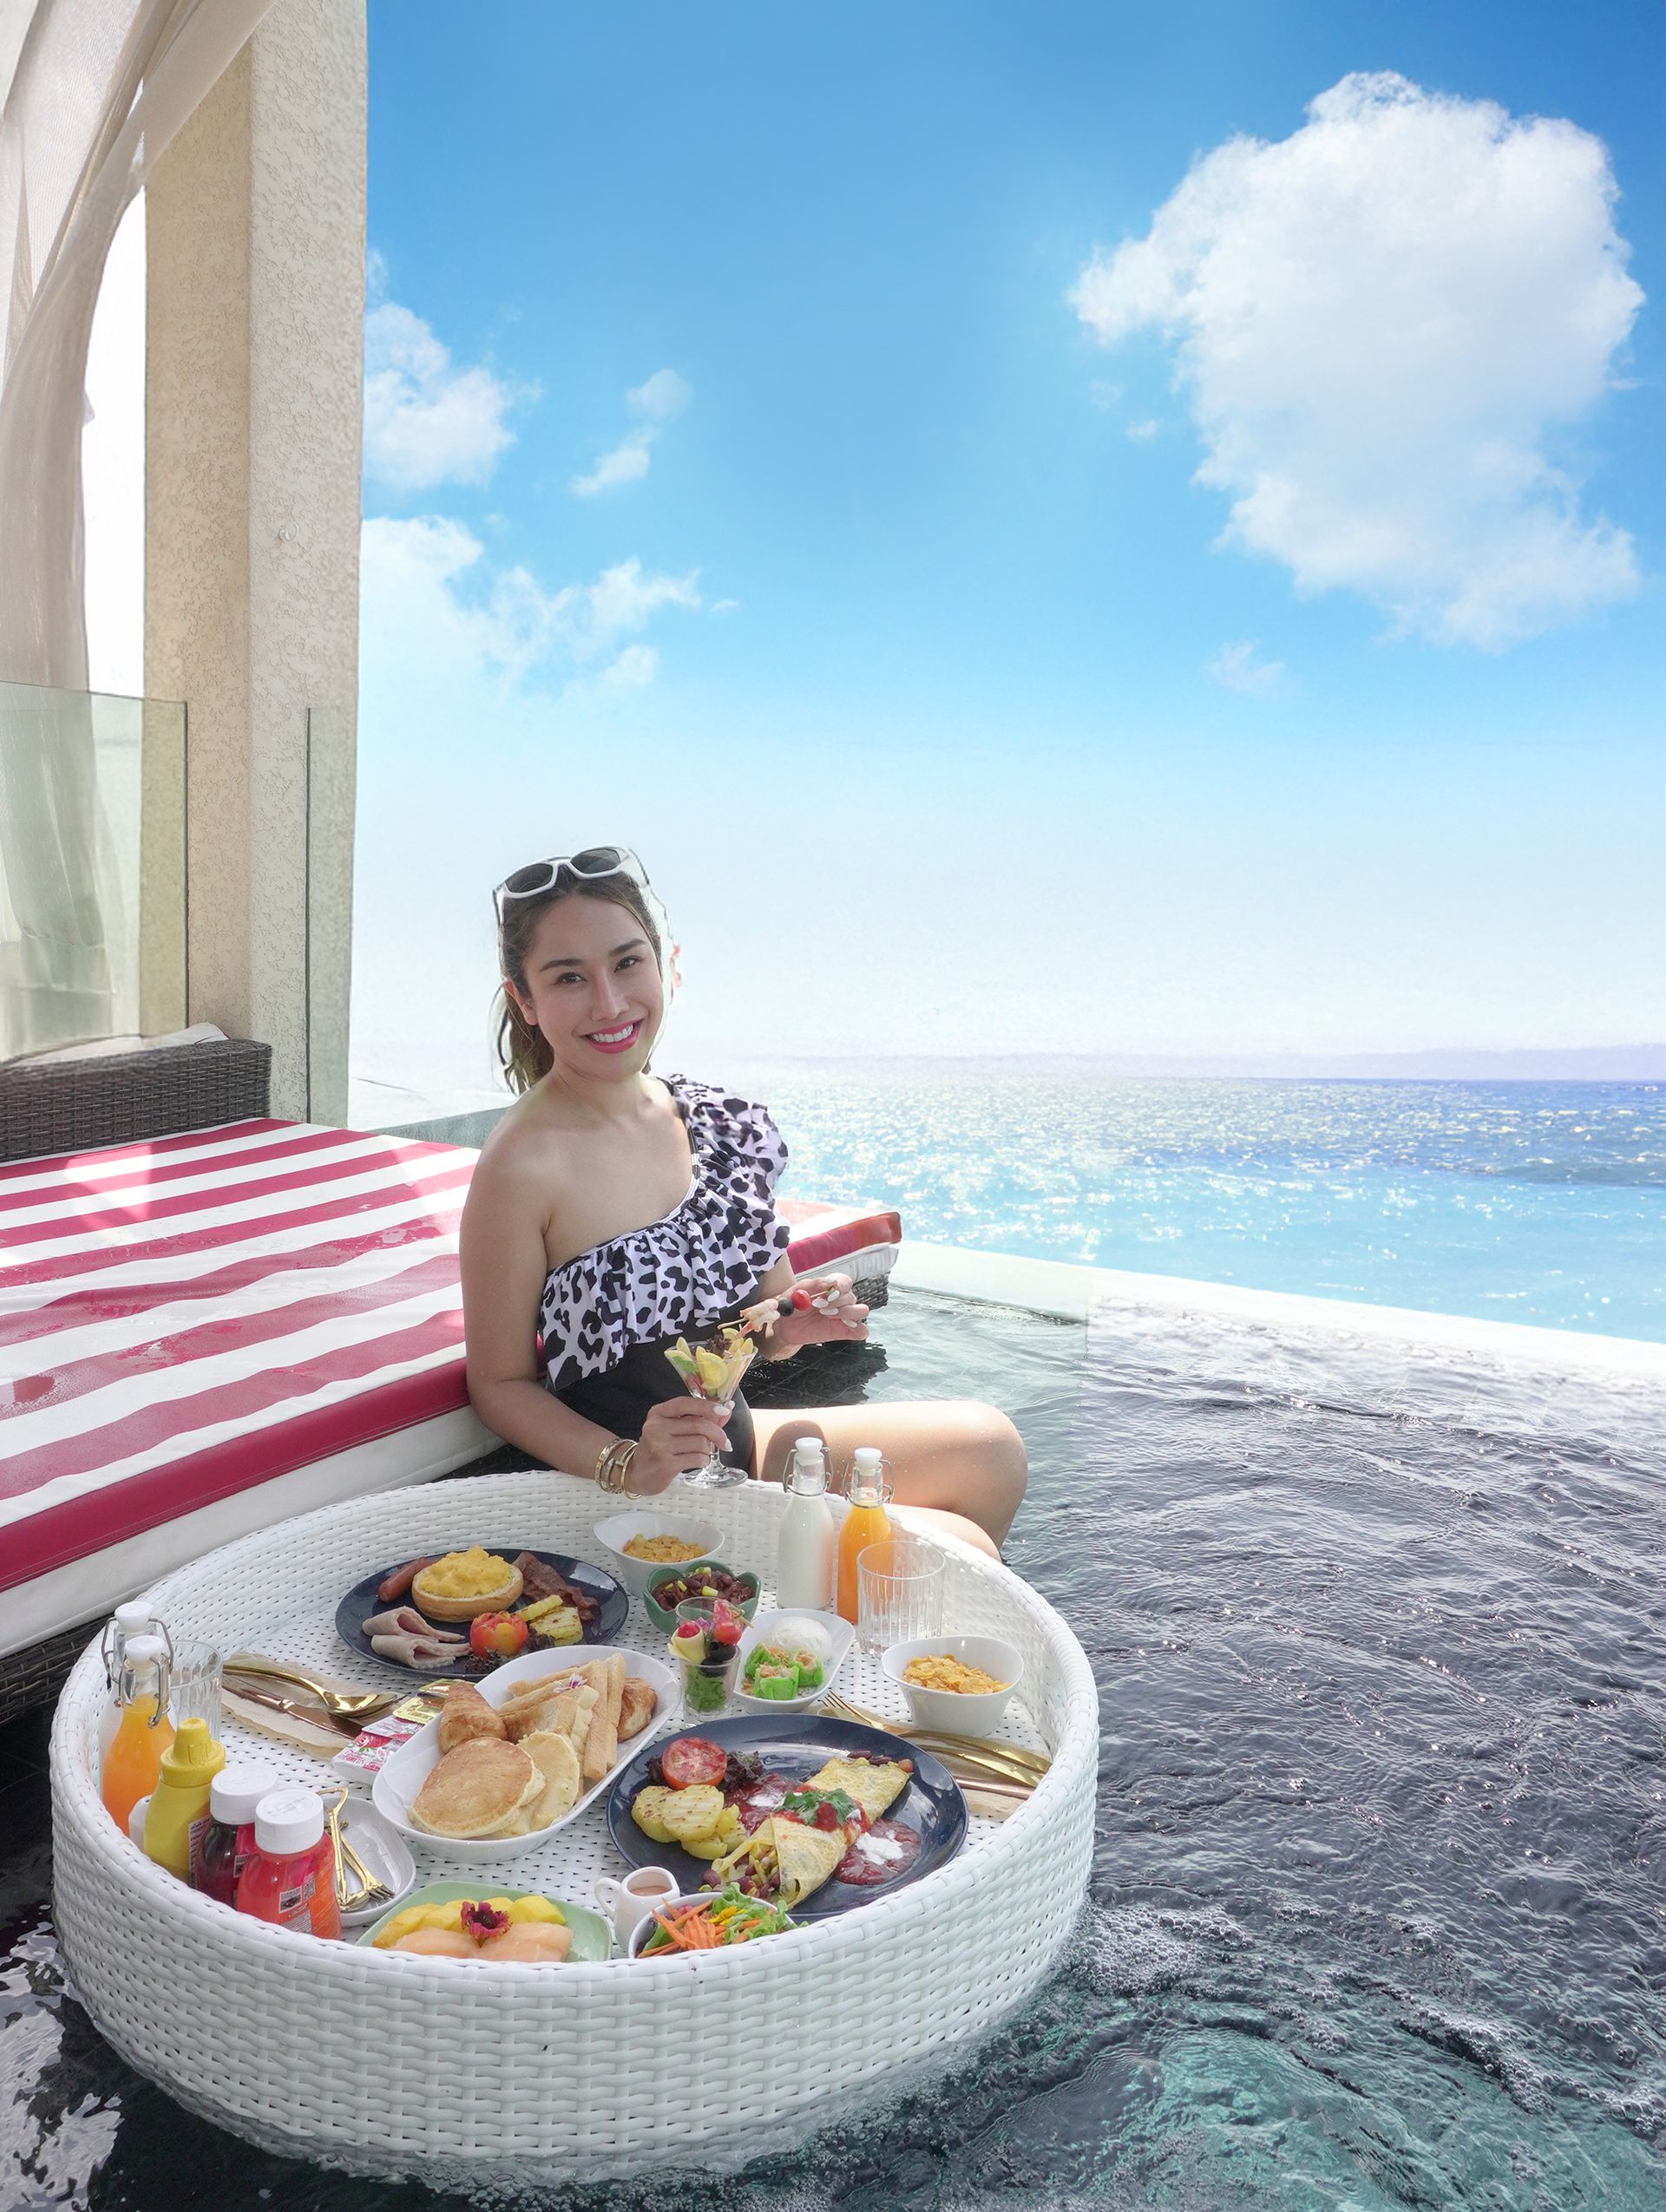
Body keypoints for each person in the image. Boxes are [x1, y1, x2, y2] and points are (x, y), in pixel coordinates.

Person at [460, 847, 1026, 1556]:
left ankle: (859, 1649)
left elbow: (762, 1329)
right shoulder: (521, 1166)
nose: (609, 1002)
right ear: (526, 1000)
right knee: (962, 1547)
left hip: (735, 1454)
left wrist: (798, 1319)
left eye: (627, 963)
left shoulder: (714, 1126)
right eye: (569, 977)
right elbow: (501, 1385)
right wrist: (627, 1464)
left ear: (666, 962)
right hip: (642, 1499)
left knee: (991, 1447)